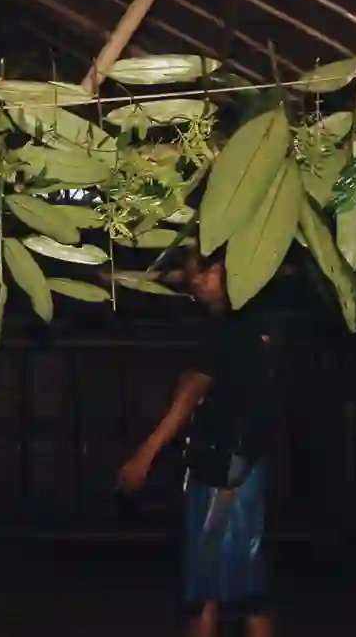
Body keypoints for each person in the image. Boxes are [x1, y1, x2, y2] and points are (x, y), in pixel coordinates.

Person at [117, 251, 280, 637]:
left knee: (215, 588)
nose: (197, 280)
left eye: (206, 271)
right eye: (192, 274)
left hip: (227, 473)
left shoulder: (231, 328)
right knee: (235, 586)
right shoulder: (245, 326)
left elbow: (189, 395)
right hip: (236, 467)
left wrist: (145, 456)